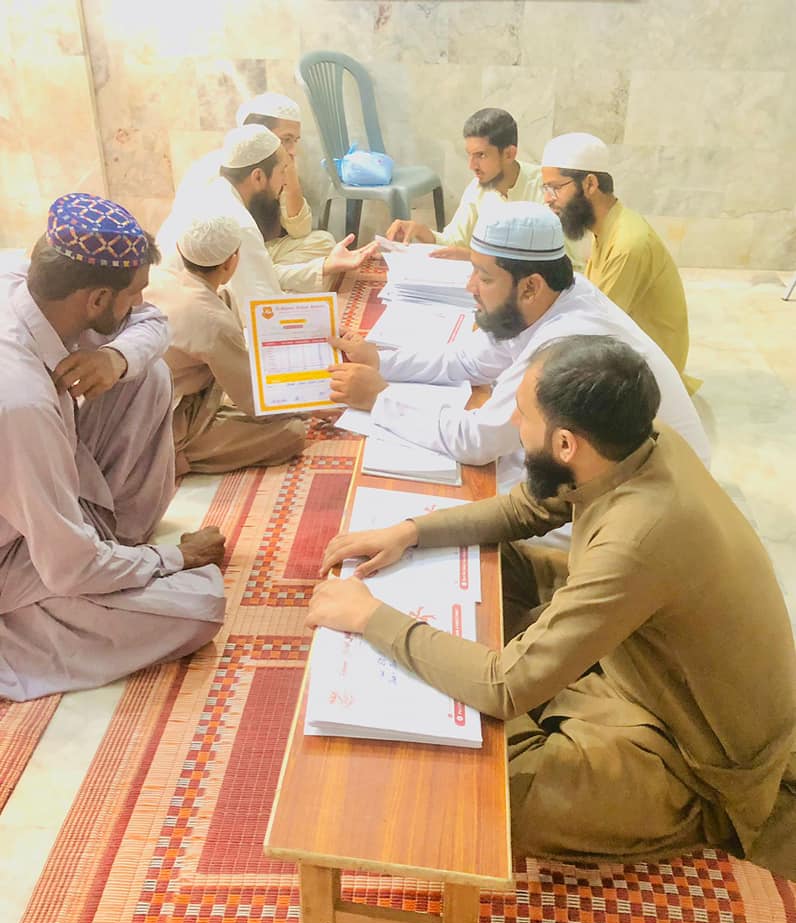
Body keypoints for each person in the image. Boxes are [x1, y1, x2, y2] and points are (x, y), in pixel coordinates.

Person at [307, 336, 796, 880]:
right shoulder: (639, 442)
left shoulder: (639, 535)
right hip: (639, 659)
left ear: (566, 444)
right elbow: (525, 508)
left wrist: (370, 618)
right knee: (505, 561)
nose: (515, 424)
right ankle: (489, 667)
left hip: (688, 746)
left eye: (523, 414)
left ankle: (683, 814)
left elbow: (505, 687)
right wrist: (410, 532)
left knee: (483, 786)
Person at [0, 193, 227, 702]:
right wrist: (171, 558)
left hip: (35, 505)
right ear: (97, 300)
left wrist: (116, 358)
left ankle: (115, 550)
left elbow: (152, 326)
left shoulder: (20, 276)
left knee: (146, 373)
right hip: (17, 557)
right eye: (132, 292)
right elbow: (68, 567)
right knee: (201, 604)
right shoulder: (19, 402)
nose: (139, 304)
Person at [330, 202, 709, 491]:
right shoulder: (547, 299)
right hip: (610, 472)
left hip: (648, 494)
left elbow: (477, 440)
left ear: (530, 286)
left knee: (473, 495)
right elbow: (466, 360)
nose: (470, 288)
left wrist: (381, 399)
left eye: (484, 277)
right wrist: (380, 360)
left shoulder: (565, 341)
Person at [147, 211, 307, 476]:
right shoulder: (213, 319)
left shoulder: (157, 277)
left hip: (154, 399)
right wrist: (306, 401)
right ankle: (171, 458)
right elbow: (256, 404)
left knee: (226, 298)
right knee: (291, 433)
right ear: (232, 262)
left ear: (179, 249)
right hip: (167, 419)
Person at [541, 132, 698, 392]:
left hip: (650, 377)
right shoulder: (606, 228)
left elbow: (593, 328)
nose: (548, 199)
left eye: (555, 188)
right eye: (545, 189)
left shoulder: (627, 242)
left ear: (590, 184)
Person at [160, 125, 376, 306]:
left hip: (179, 300)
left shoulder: (218, 186)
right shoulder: (238, 223)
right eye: (283, 171)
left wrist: (324, 266)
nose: (284, 181)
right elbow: (264, 309)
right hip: (189, 316)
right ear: (258, 176)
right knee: (312, 304)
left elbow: (260, 274)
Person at [385, 108, 586, 268]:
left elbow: (566, 263)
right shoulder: (478, 189)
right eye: (469, 155)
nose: (471, 166)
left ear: (509, 154)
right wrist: (420, 231)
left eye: (481, 155)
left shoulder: (548, 189)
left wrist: (475, 258)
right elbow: (455, 244)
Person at [234, 91, 336, 266]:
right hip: (232, 257)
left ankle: (272, 274)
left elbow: (300, 230)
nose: (293, 150)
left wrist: (289, 174)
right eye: (286, 139)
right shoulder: (224, 169)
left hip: (261, 251)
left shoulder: (277, 166)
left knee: (324, 242)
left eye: (295, 140)